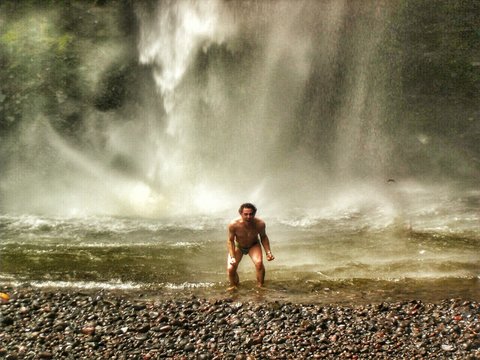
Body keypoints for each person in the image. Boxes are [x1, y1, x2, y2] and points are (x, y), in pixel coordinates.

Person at [227, 203, 275, 290]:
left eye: (251, 214)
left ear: (254, 213)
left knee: (259, 263)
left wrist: (268, 252)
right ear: (241, 213)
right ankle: (234, 286)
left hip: (253, 245)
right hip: (239, 246)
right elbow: (230, 241)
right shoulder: (233, 224)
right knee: (231, 268)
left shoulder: (260, 224)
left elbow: (263, 237)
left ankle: (260, 286)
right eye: (246, 214)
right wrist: (232, 256)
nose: (248, 217)